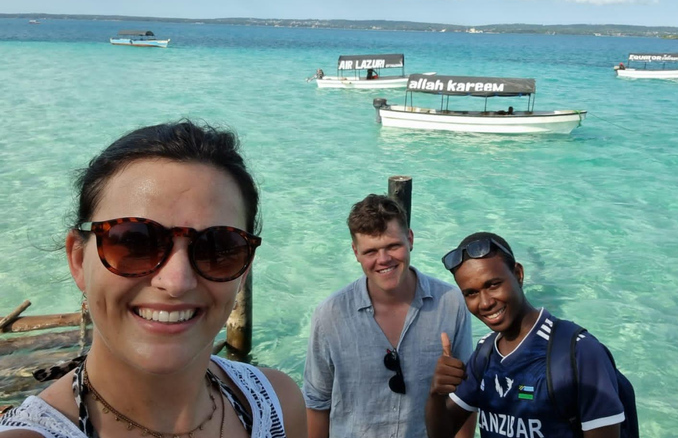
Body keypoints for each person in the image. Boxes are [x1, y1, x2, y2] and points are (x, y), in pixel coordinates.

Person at [0, 120, 307, 438]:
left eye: (219, 248)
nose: (177, 281)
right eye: (134, 241)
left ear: (244, 271)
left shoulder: (277, 405)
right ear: (78, 259)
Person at [302, 194, 476, 438]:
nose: (383, 259)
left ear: (410, 239)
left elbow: (465, 395)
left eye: (392, 246)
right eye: (371, 251)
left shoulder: (451, 302)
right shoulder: (329, 315)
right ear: (356, 252)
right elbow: (317, 402)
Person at [426, 232, 625, 438]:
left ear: (518, 274)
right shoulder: (485, 354)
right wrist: (436, 394)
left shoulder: (579, 352)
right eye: (471, 293)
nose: (485, 303)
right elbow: (441, 434)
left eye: (493, 284)